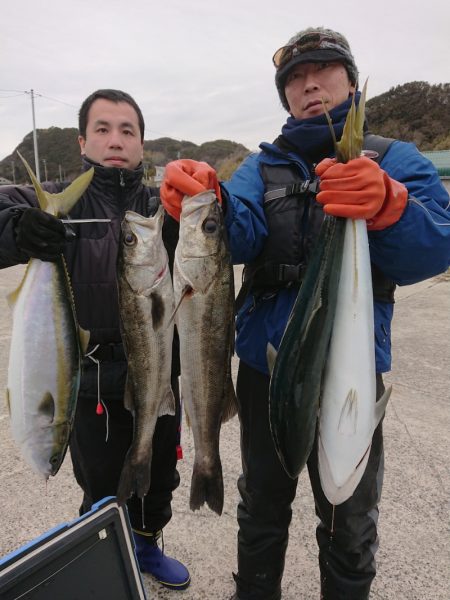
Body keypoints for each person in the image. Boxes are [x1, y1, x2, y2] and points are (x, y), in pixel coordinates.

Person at [160, 28, 450, 600]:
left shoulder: (396, 159)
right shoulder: (261, 168)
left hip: (348, 373)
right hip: (266, 373)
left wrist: (391, 205)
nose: (309, 84)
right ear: (285, 95)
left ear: (349, 78)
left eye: (323, 70)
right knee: (262, 506)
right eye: (294, 77)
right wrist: (204, 200)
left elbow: (437, 244)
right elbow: (236, 227)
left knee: (349, 519)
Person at [0, 89, 190, 591]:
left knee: (158, 475)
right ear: (84, 141)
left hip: (157, 370)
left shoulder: (160, 205)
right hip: (92, 378)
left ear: (142, 144)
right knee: (102, 480)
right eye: (103, 129)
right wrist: (17, 229)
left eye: (127, 130)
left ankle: (146, 545)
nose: (115, 140)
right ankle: (103, 551)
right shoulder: (59, 201)